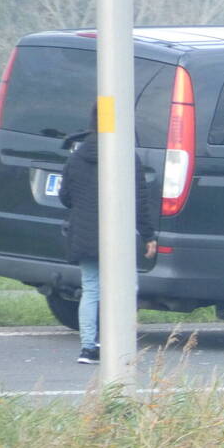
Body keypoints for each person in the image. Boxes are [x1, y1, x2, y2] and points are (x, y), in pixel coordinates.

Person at [59, 105, 157, 364]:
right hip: (118, 237)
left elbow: (65, 197)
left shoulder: (76, 156)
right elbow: (140, 201)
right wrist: (148, 236)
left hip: (84, 235)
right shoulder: (125, 156)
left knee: (91, 289)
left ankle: (88, 348)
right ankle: (114, 341)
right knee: (126, 288)